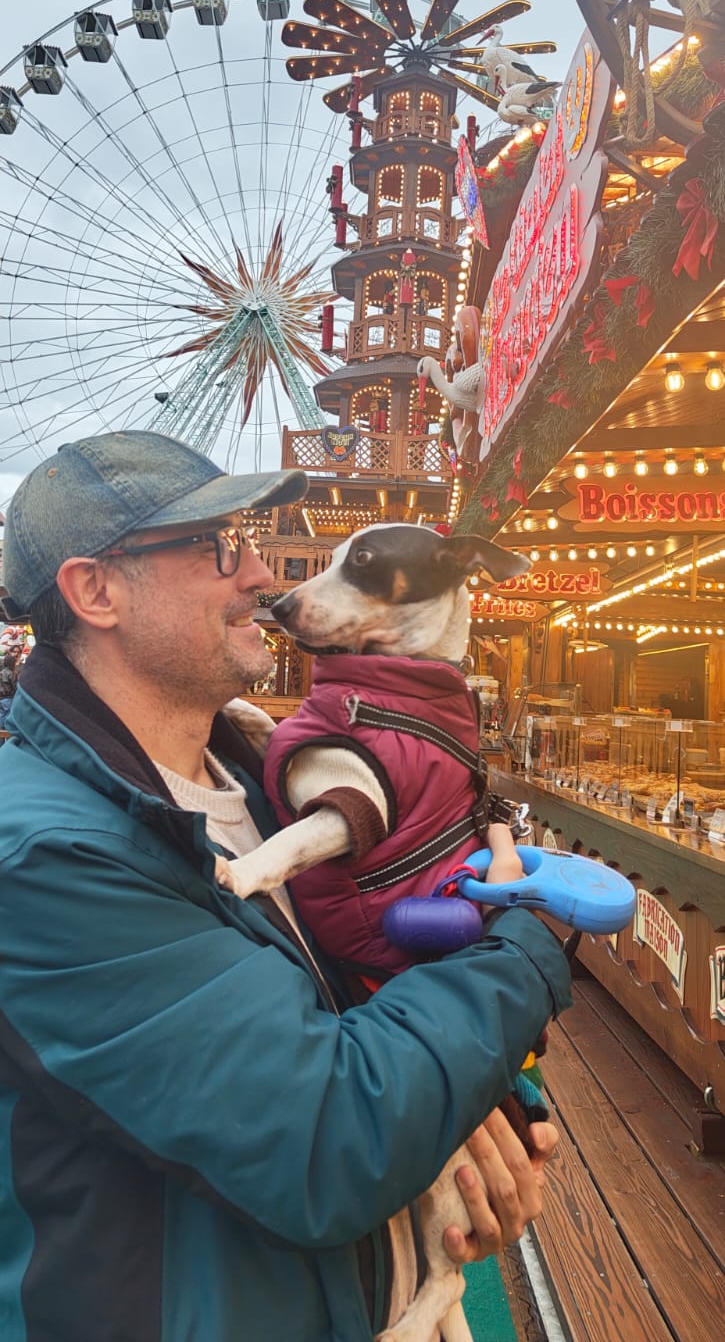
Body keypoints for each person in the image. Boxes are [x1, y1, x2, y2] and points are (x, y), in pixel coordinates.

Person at [0, 430, 571, 1342]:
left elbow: (347, 1023)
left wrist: (458, 1133)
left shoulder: (256, 783)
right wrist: (523, 944)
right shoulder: (42, 859)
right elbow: (322, 1137)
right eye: (219, 544)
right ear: (94, 591)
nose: (264, 574)